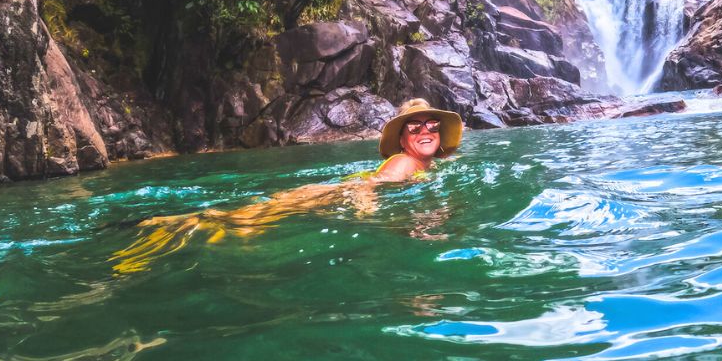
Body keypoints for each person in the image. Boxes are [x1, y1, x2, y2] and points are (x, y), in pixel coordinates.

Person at [110, 99, 463, 273]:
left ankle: (174, 224)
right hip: (332, 194)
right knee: (245, 220)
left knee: (251, 218)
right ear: (402, 139)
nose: (426, 131)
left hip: (329, 191)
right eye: (414, 127)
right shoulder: (405, 163)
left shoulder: (423, 163)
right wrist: (366, 206)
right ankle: (167, 226)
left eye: (431, 125)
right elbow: (373, 184)